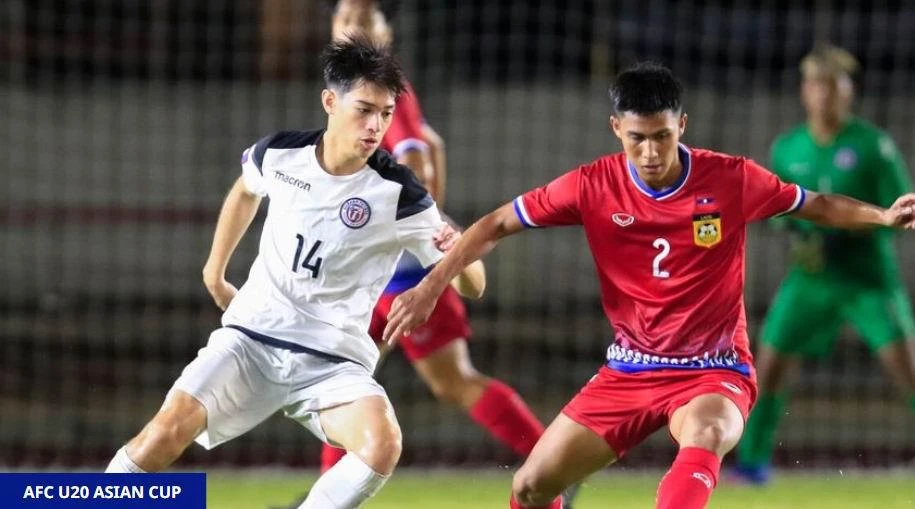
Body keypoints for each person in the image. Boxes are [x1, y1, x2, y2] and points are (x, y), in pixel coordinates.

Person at [381, 62, 915, 509]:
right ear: (617, 129)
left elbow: (814, 203)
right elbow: (496, 223)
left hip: (714, 370)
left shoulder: (729, 178)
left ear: (682, 124)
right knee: (530, 486)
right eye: (638, 139)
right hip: (629, 370)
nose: (652, 152)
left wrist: (882, 217)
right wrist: (432, 285)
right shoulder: (592, 185)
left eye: (663, 136)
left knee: (705, 435)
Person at [104, 37, 481, 509]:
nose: (375, 126)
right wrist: (214, 270)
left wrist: (451, 257)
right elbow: (245, 191)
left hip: (332, 362)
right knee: (164, 432)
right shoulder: (280, 154)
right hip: (252, 339)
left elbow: (476, 282)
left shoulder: (399, 192)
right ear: (329, 101)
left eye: (386, 114)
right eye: (364, 110)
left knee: (382, 443)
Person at [318, 0, 551, 486]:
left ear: (384, 34)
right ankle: (552, 464)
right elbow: (434, 145)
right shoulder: (368, 93)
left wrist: (411, 222)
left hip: (396, 271)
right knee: (352, 379)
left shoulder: (388, 96)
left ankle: (553, 463)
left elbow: (418, 158)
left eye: (362, 20)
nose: (350, 29)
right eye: (344, 19)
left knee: (395, 379)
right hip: (388, 268)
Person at [733, 44, 915, 484]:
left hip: (867, 279)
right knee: (769, 365)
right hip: (810, 280)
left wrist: (858, 228)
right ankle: (753, 463)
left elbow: (902, 212)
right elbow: (778, 210)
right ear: (804, 92)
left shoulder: (875, 147)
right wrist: (794, 234)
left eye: (834, 85)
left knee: (907, 370)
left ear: (848, 92)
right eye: (816, 85)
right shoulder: (788, 148)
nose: (824, 94)